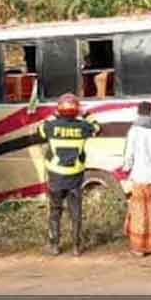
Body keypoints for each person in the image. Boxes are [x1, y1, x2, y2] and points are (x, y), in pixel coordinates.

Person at [38, 93, 101, 257]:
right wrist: (86, 114)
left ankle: (54, 246)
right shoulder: (82, 127)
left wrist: (55, 114)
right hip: (75, 177)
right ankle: (76, 247)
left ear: (59, 109)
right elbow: (97, 127)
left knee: (55, 211)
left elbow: (41, 128)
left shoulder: (51, 126)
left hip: (56, 176)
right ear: (76, 110)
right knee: (76, 213)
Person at [122, 101, 151, 257]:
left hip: (138, 177)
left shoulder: (134, 131)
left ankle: (138, 248)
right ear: (150, 112)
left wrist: (126, 170)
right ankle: (150, 246)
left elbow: (129, 155)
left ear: (138, 113)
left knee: (139, 212)